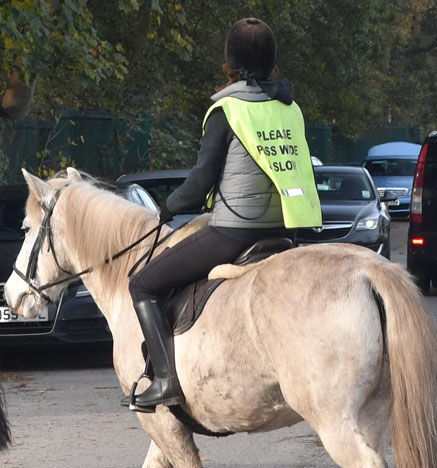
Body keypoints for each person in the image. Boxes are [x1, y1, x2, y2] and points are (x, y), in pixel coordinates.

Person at [126, 17, 322, 411]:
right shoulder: (291, 109)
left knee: (143, 285)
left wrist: (168, 207)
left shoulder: (226, 110)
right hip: (287, 229)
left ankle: (165, 380)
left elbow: (200, 183)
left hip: (235, 232)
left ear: (227, 67)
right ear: (273, 65)